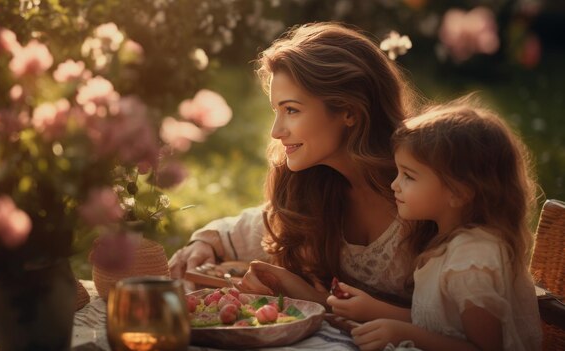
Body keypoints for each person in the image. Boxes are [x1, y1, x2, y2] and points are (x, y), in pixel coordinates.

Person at [169, 22, 420, 306]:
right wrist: (205, 242)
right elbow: (255, 226)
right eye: (277, 110)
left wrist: (310, 295)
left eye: (292, 110)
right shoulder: (317, 185)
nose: (276, 131)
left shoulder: (423, 185)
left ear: (348, 111)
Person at [328, 97, 542, 350]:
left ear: (460, 192)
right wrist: (372, 310)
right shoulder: (449, 244)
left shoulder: (471, 259)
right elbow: (442, 326)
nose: (394, 184)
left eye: (408, 175)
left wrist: (400, 334)